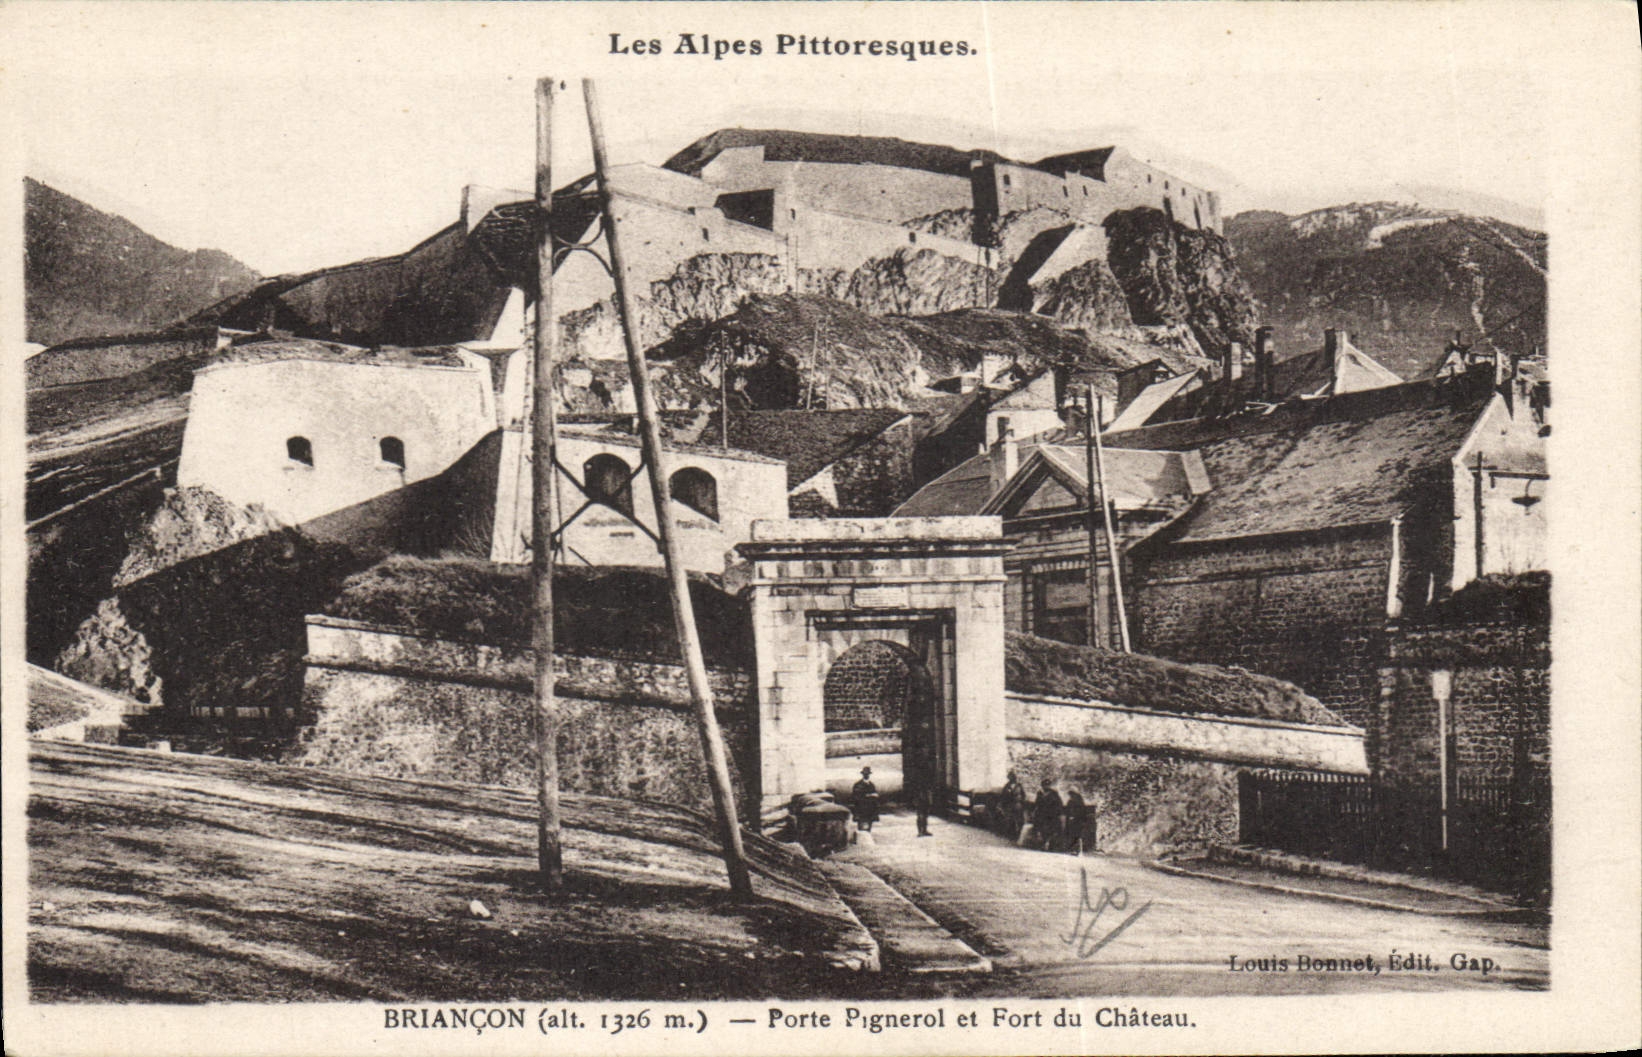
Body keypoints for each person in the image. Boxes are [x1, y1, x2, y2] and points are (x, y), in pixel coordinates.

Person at [1032, 779, 1064, 853]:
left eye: (1048, 785)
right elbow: (1037, 803)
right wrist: (1034, 811)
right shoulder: (1040, 793)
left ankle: (1048, 843)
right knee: (1040, 827)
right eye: (1044, 785)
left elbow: (1059, 804)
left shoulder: (1054, 793)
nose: (1046, 786)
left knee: (1052, 828)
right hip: (1041, 814)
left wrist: (1058, 813)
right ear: (1042, 786)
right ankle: (1043, 843)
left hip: (1051, 814)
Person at [851, 767, 880, 832]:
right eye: (865, 774)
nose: (866, 775)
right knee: (862, 828)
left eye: (867, 774)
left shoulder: (871, 784)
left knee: (868, 827)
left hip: (870, 810)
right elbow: (855, 797)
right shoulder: (858, 785)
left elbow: (875, 797)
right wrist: (868, 795)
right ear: (863, 774)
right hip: (861, 809)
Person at [998, 770, 1026, 838]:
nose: (1012, 779)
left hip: (1017, 805)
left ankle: (1018, 834)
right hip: (1009, 805)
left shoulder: (1019, 785)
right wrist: (1003, 804)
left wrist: (1021, 801)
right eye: (1010, 777)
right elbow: (1003, 795)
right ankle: (1010, 834)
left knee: (1019, 820)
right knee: (1009, 819)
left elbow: (1023, 795)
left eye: (1013, 777)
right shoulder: (1007, 786)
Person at [1063, 787, 1088, 856]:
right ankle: (1074, 850)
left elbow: (1082, 812)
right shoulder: (1071, 801)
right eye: (1070, 794)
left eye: (1072, 794)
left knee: (1078, 836)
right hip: (1073, 821)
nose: (1071, 795)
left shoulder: (1079, 801)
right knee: (1073, 835)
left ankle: (1079, 851)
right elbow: (1067, 810)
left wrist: (1075, 817)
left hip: (1078, 821)